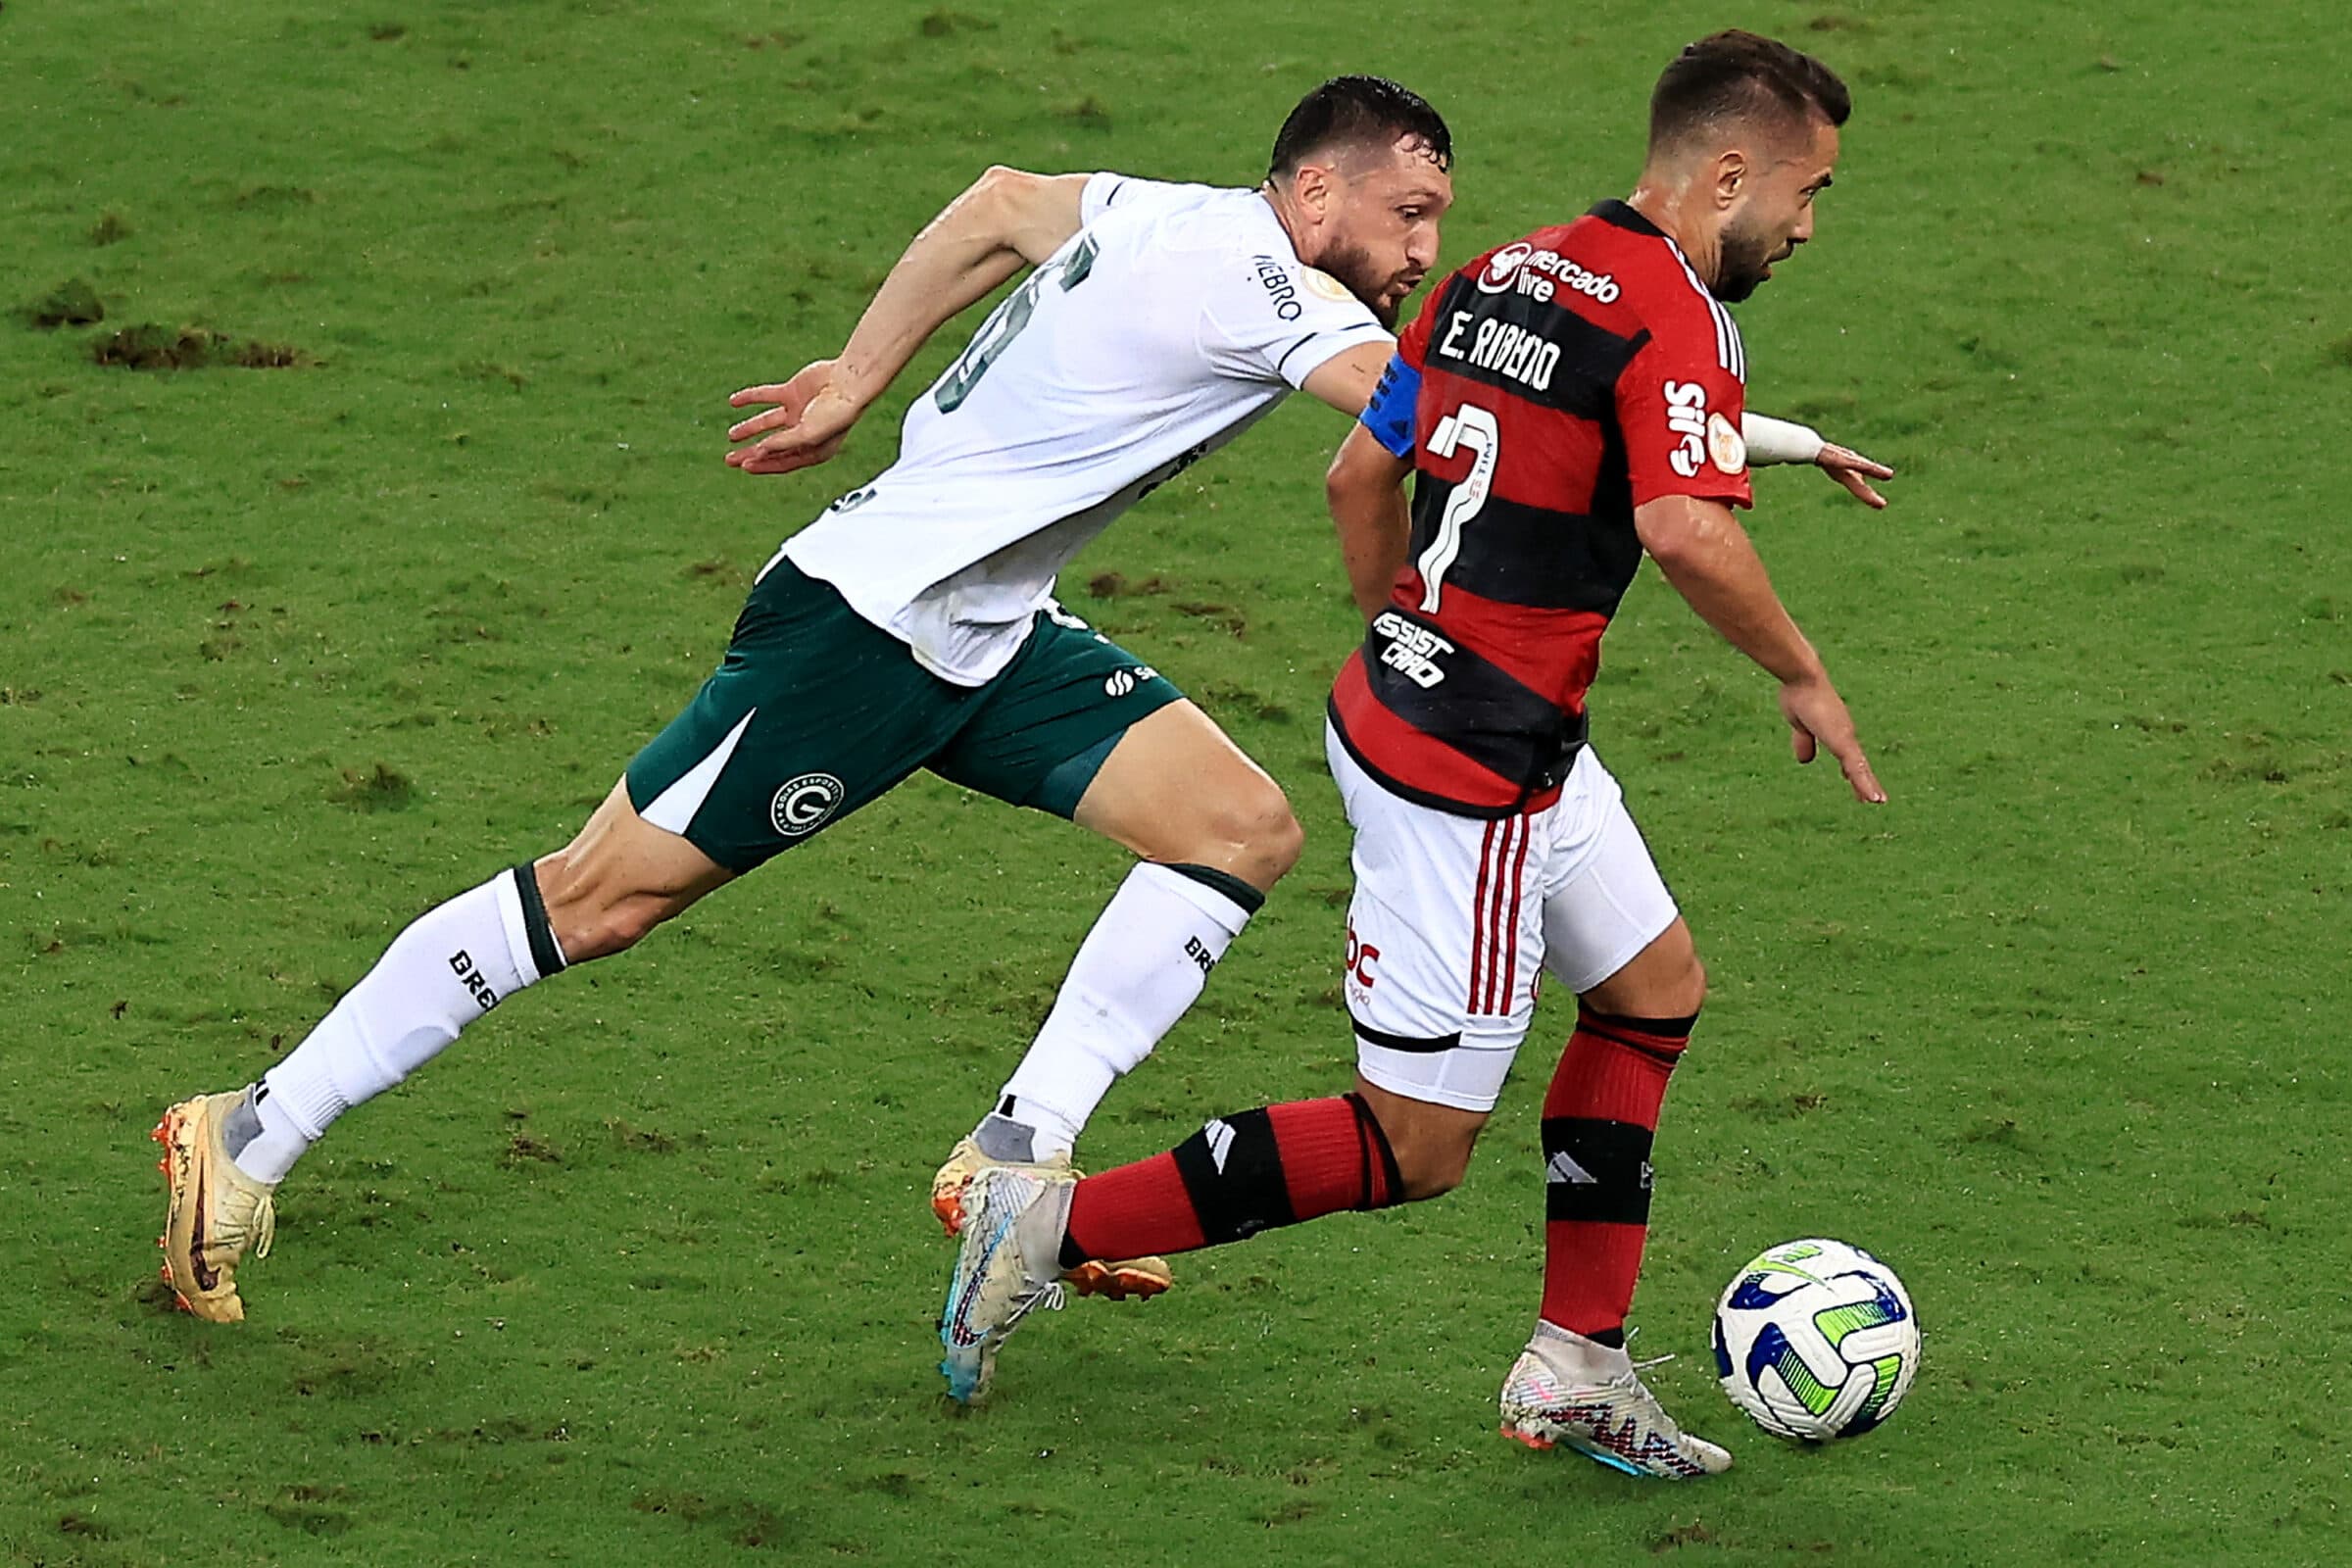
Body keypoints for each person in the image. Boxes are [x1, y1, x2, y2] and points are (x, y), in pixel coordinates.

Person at [940, 31, 1885, 1483]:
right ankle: (1055, 1229)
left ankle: (1576, 1366)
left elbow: (1362, 469)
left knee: (1651, 993)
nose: (1812, 227)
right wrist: (1804, 674)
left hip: (1431, 711)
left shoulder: (1508, 270)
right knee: (1415, 1146)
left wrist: (1404, 622)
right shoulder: (1677, 318)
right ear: (1732, 171)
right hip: (1478, 774)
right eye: (1809, 193)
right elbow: (1686, 524)